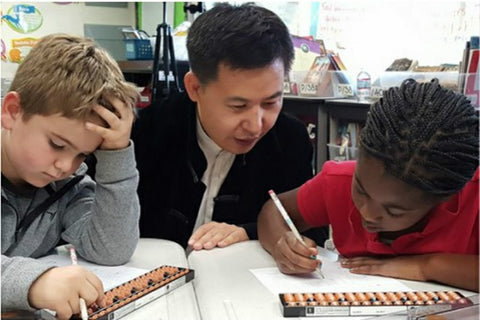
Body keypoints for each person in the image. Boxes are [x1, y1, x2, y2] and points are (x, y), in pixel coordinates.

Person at [258, 78, 479, 292]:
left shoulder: (473, 195)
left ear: (444, 197)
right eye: (361, 190)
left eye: (394, 211)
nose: (368, 214)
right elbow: (274, 210)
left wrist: (425, 266)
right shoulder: (340, 181)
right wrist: (283, 244)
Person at [132, 3, 321, 250]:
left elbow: (311, 228)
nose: (256, 125)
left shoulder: (290, 140)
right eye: (238, 106)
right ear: (195, 88)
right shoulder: (148, 132)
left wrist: (250, 232)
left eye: (271, 102)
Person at [1, 34, 141, 318]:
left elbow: (110, 249)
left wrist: (116, 153)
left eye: (82, 154)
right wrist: (35, 282)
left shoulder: (68, 183)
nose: (65, 166)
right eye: (57, 145)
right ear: (12, 111)